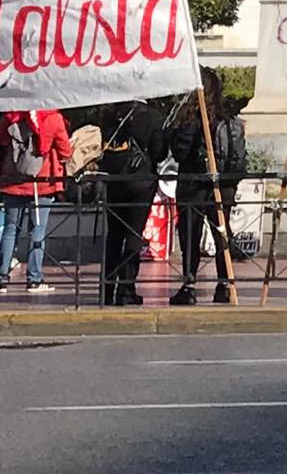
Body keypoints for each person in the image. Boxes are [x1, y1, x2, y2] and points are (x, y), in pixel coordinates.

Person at [167, 69, 245, 306]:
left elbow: (181, 153)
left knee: (191, 234)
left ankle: (189, 284)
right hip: (224, 183)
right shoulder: (226, 116)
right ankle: (224, 285)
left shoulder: (194, 118)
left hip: (195, 183)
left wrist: (174, 133)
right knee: (221, 231)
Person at [0, 108, 71, 295]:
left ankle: (2, 278)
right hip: (42, 183)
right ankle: (34, 279)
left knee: (10, 231)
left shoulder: (11, 117)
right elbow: (65, 151)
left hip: (13, 181)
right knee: (37, 230)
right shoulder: (53, 117)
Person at [97, 102, 168, 307]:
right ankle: (126, 290)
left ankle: (107, 289)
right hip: (141, 182)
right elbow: (159, 153)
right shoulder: (151, 117)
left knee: (114, 235)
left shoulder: (111, 113)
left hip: (114, 181)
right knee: (133, 234)